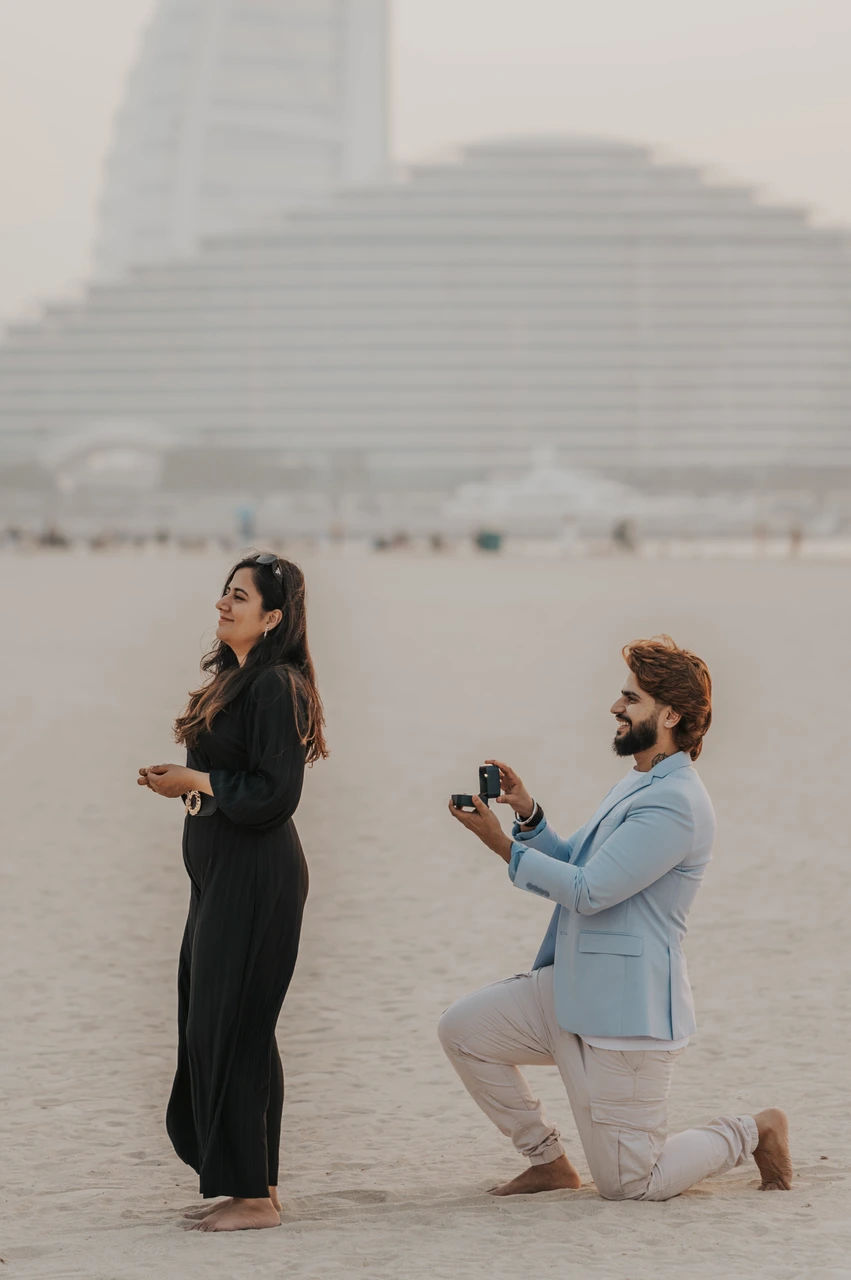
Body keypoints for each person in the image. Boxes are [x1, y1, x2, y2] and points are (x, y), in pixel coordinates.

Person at [442, 635, 792, 1202]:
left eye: (630, 698)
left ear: (671, 714)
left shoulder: (676, 803)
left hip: (627, 1018)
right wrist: (525, 811)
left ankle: (754, 1129)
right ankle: (547, 1161)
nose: (615, 706)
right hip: (570, 987)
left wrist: (503, 848)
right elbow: (579, 861)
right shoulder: (640, 780)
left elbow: (589, 891)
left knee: (631, 1184)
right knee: (462, 1031)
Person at [138, 553, 327, 1231]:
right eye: (224, 591)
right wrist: (186, 783)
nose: (223, 603)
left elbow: (275, 796)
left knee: (236, 1027)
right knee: (221, 1020)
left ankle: (252, 1198)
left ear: (272, 618)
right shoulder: (236, 680)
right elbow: (232, 778)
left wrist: (194, 784)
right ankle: (258, 1186)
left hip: (257, 873)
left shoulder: (278, 685)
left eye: (239, 596)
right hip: (219, 872)